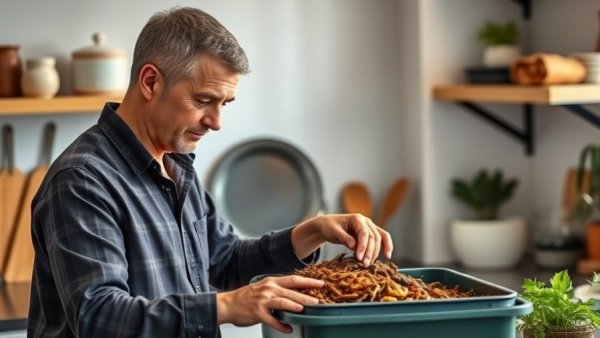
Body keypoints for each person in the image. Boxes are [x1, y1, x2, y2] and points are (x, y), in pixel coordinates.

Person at [28, 6, 393, 338]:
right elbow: (98, 317)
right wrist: (228, 305)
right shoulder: (82, 180)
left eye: (225, 104)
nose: (216, 122)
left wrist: (312, 232)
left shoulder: (174, 164)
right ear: (151, 82)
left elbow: (224, 260)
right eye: (203, 100)